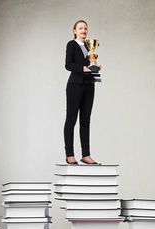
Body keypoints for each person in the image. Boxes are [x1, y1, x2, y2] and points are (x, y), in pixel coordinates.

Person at [64, 20, 101, 165]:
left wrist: (96, 67)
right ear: (74, 30)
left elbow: (90, 64)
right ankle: (70, 154)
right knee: (71, 119)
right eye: (80, 28)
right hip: (75, 85)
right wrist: (83, 68)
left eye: (85, 28)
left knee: (86, 121)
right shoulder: (71, 44)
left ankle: (86, 154)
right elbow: (68, 64)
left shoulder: (89, 47)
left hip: (89, 86)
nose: (83, 31)